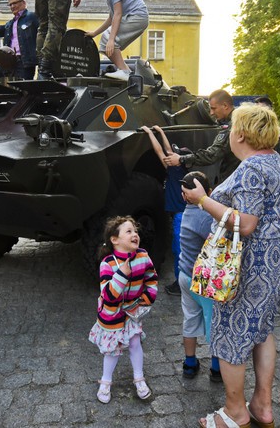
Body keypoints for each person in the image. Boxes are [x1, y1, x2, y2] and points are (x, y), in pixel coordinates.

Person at [183, 103, 280, 428]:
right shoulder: (275, 161)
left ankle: (235, 412)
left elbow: (245, 223)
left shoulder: (251, 168)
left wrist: (202, 200)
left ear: (242, 134)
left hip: (251, 262)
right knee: (262, 329)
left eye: (232, 128)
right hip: (279, 256)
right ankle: (262, 405)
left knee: (232, 333)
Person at [88, 216, 158, 404]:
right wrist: (121, 274)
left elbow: (151, 279)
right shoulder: (107, 264)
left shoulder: (143, 256)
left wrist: (146, 299)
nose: (135, 234)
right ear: (115, 239)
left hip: (132, 312)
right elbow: (108, 295)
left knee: (135, 343)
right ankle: (106, 382)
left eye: (135, 231)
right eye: (129, 231)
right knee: (112, 350)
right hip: (111, 315)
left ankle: (139, 379)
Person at [176, 171, 222, 382]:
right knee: (214, 322)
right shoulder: (204, 217)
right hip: (202, 279)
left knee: (191, 318)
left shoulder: (187, 211)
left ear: (184, 195)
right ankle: (217, 368)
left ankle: (190, 363)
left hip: (185, 275)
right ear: (208, 192)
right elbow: (218, 240)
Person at [83, 0, 149, 81]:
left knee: (108, 39)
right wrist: (95, 33)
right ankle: (126, 72)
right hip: (134, 18)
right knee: (104, 45)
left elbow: (118, 14)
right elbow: (111, 18)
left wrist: (111, 39)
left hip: (137, 16)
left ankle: (124, 72)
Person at [141, 125, 186, 295]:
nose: (170, 154)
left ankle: (180, 285)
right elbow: (167, 149)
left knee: (179, 251)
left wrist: (149, 133)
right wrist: (160, 132)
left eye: (175, 154)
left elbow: (160, 151)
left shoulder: (174, 170)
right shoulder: (180, 170)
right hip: (182, 214)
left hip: (180, 216)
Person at [164, 89, 239, 185]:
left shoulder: (232, 126)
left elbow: (212, 155)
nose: (211, 113)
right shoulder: (242, 120)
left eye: (214, 108)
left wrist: (181, 159)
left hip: (233, 180)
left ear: (225, 106)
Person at [255, 96, 280, 170]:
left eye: (261, 109)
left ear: (269, 110)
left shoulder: (279, 133)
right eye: (256, 109)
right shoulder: (253, 131)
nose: (258, 112)